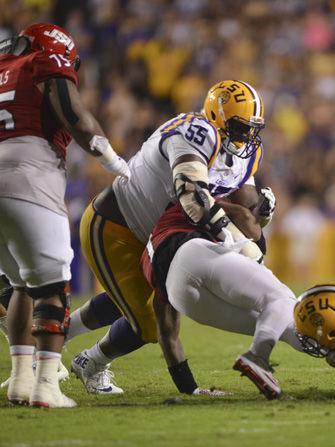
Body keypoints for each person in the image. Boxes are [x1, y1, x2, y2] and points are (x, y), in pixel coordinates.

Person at [69, 79, 272, 396]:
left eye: (251, 127)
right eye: (240, 126)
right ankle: (86, 360)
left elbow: (244, 205)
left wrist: (260, 215)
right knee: (147, 323)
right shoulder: (194, 133)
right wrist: (237, 244)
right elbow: (193, 198)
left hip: (156, 232)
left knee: (131, 300)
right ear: (217, 117)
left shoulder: (245, 151)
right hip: (115, 227)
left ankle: (57, 334)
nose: (247, 135)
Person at [0, 23, 130, 408]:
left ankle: (21, 381)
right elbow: (75, 116)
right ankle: (46, 387)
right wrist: (116, 163)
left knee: (22, 282)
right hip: (29, 173)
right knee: (53, 285)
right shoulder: (46, 58)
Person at [140, 197, 300, 399]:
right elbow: (243, 218)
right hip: (195, 252)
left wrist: (189, 388)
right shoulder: (199, 199)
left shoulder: (152, 246)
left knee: (279, 322)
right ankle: (260, 358)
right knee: (284, 301)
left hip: (179, 295)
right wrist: (261, 224)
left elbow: (167, 335)